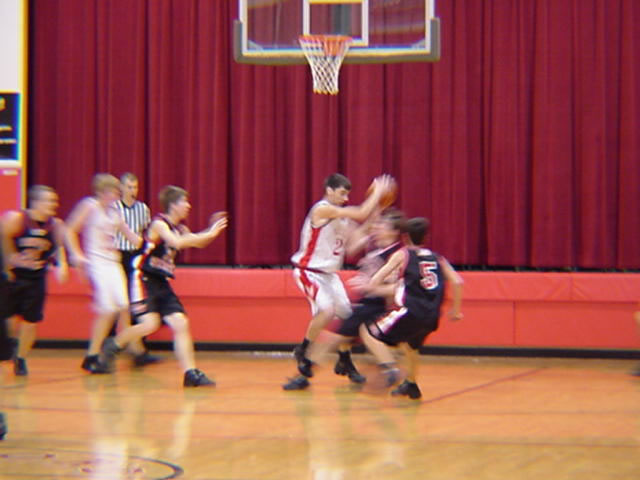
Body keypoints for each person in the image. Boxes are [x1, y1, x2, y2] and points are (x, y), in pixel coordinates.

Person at [98, 185, 228, 387]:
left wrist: (212, 232)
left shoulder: (180, 228)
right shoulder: (159, 224)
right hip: (143, 277)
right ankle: (113, 344)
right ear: (173, 205)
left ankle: (190, 373)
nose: (188, 206)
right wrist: (209, 232)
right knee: (149, 324)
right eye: (184, 202)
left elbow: (197, 242)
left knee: (180, 322)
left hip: (161, 281)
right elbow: (176, 243)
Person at [283, 208, 407, 390]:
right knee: (344, 337)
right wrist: (361, 218)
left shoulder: (397, 254)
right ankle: (387, 370)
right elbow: (351, 248)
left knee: (331, 338)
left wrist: (373, 287)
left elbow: (398, 288)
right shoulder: (374, 245)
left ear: (394, 231)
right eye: (379, 223)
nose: (378, 227)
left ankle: (304, 375)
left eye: (383, 225)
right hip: (365, 302)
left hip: (378, 305)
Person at [290, 173, 393, 384]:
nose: (346, 198)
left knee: (347, 319)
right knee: (327, 311)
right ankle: (304, 349)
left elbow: (358, 235)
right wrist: (377, 192)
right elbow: (361, 212)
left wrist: (376, 210)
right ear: (329, 190)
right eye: (342, 193)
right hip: (309, 271)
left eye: (347, 195)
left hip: (330, 274)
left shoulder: (343, 217)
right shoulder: (321, 209)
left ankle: (344, 360)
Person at [358, 217, 464, 399]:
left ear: (405, 237)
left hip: (409, 310)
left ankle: (390, 369)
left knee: (367, 331)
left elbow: (378, 278)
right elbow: (457, 281)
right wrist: (455, 311)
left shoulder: (403, 254)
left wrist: (370, 286)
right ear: (426, 237)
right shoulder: (438, 258)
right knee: (410, 346)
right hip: (432, 315)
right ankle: (411, 384)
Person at [66, 173, 143, 373]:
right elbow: (69, 230)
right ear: (102, 192)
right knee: (107, 309)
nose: (116, 195)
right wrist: (76, 254)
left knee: (123, 306)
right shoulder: (89, 206)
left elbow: (130, 235)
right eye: (113, 192)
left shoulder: (114, 212)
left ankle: (122, 349)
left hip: (113, 262)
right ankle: (93, 355)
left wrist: (141, 240)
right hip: (96, 261)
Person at [1, 185, 68, 376]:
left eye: (54, 201)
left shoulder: (55, 225)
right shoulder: (17, 219)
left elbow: (59, 247)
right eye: (50, 201)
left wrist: (62, 265)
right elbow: (3, 235)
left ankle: (21, 358)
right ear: (36, 202)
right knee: (8, 318)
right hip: (13, 275)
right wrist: (9, 258)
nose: (54, 204)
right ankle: (10, 344)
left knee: (31, 321)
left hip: (36, 277)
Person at [114, 172, 159, 367]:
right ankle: (116, 345)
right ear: (121, 188)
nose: (132, 191)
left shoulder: (143, 208)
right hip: (118, 256)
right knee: (120, 304)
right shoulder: (114, 208)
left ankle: (139, 348)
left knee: (138, 302)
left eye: (135, 187)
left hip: (136, 257)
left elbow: (146, 233)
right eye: (129, 187)